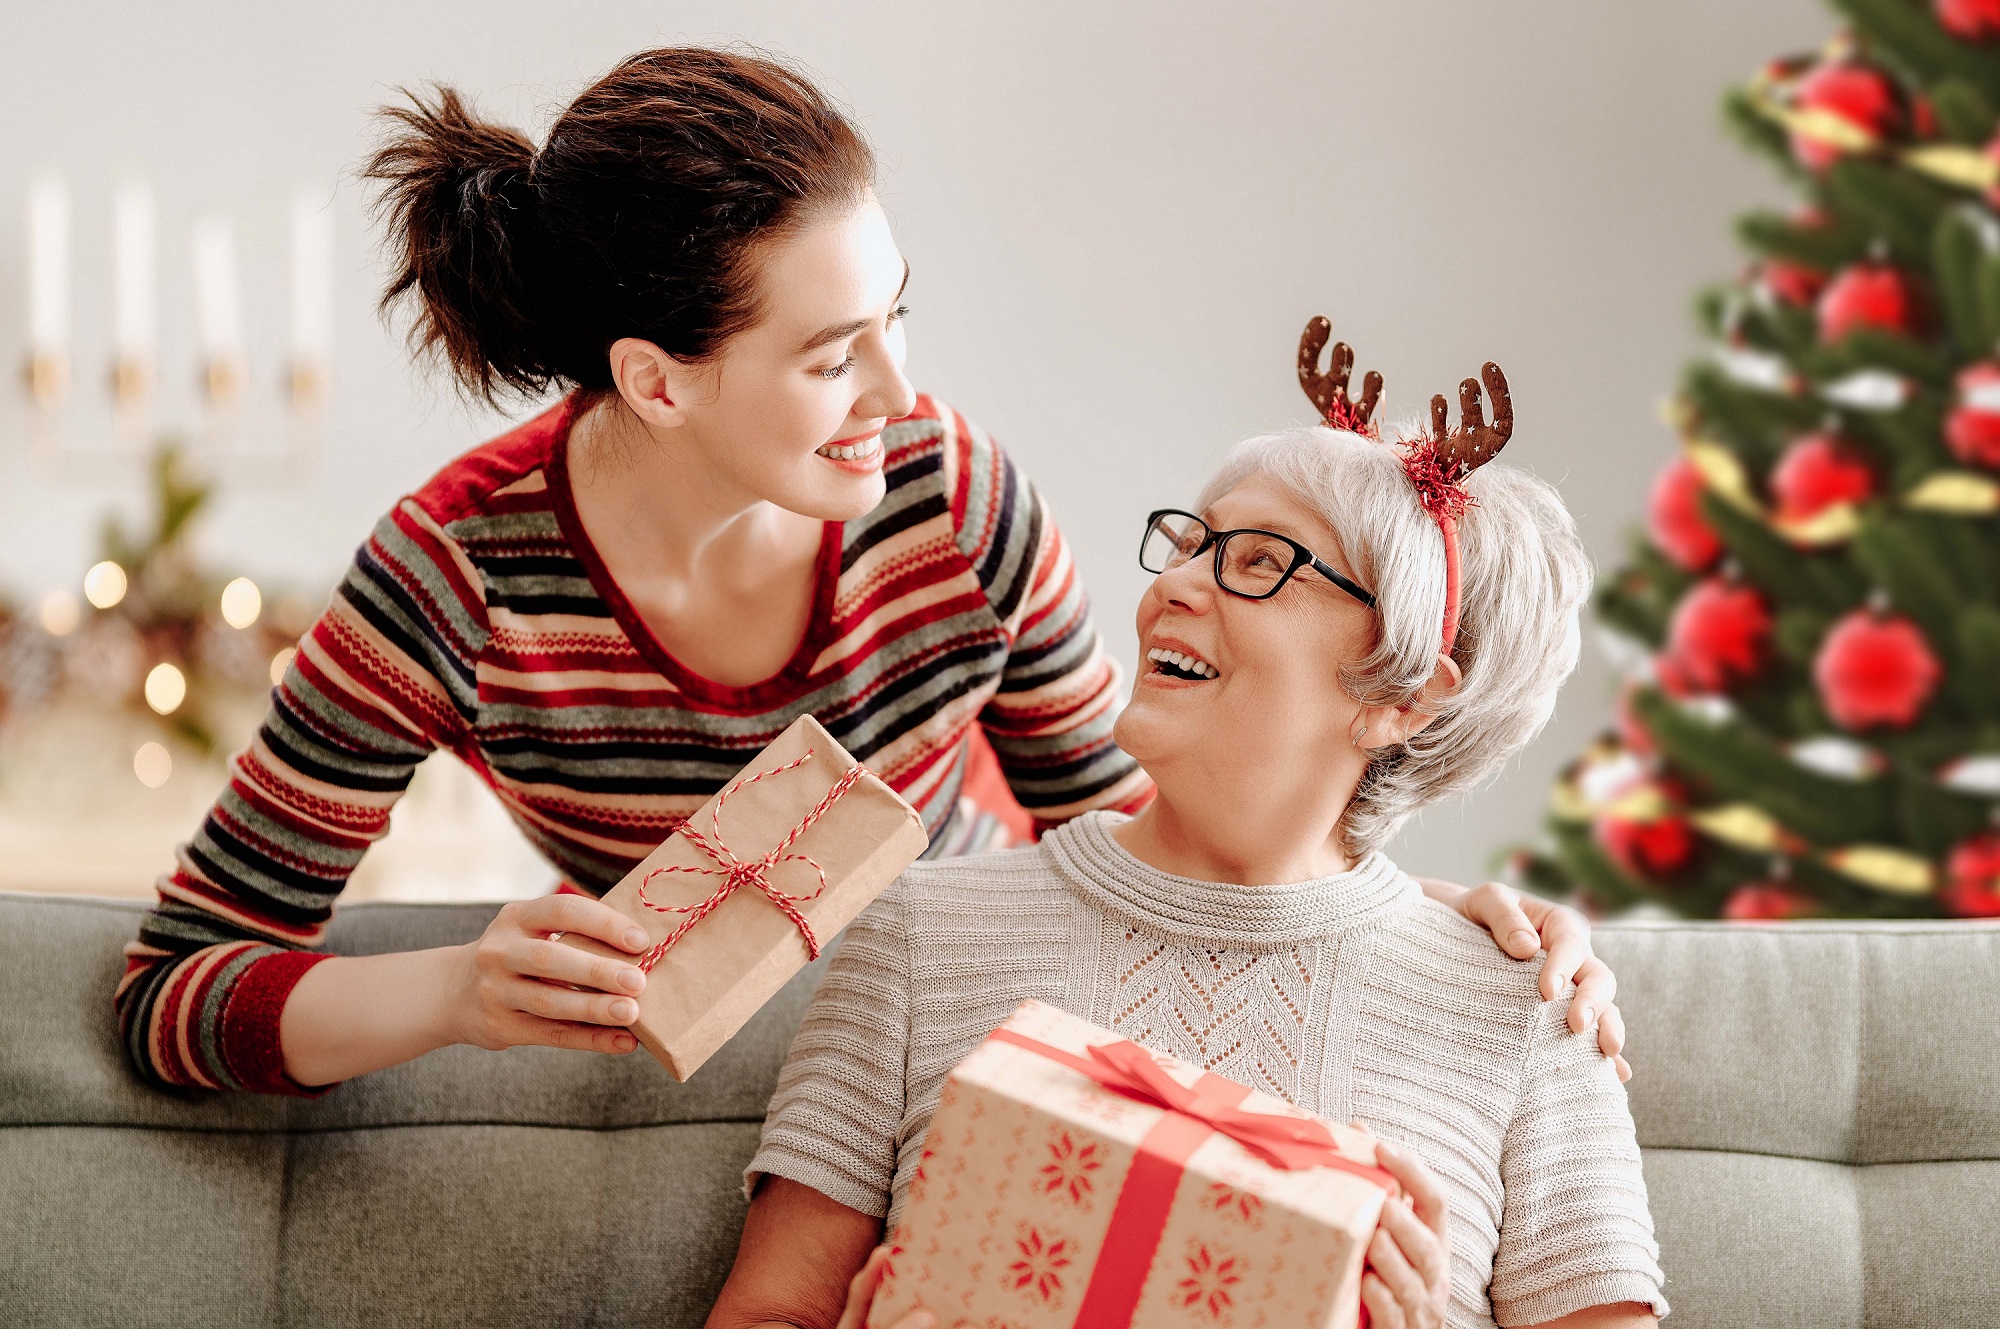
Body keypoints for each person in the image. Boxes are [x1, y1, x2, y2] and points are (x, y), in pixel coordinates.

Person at [115, 50, 1618, 1100]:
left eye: (898, 316)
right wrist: (451, 991)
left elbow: (1156, 838)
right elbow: (171, 991)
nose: (904, 393)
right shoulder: (454, 579)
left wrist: (1432, 936)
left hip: (1003, 1037)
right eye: (836, 357)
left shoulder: (954, 502)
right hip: (733, 1088)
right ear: (657, 382)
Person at [711, 345, 1664, 1329]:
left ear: (1404, 697)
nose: (1174, 586)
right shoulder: (917, 930)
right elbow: (768, 1312)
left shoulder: (1531, 1007)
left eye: (1260, 564)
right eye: (1191, 544)